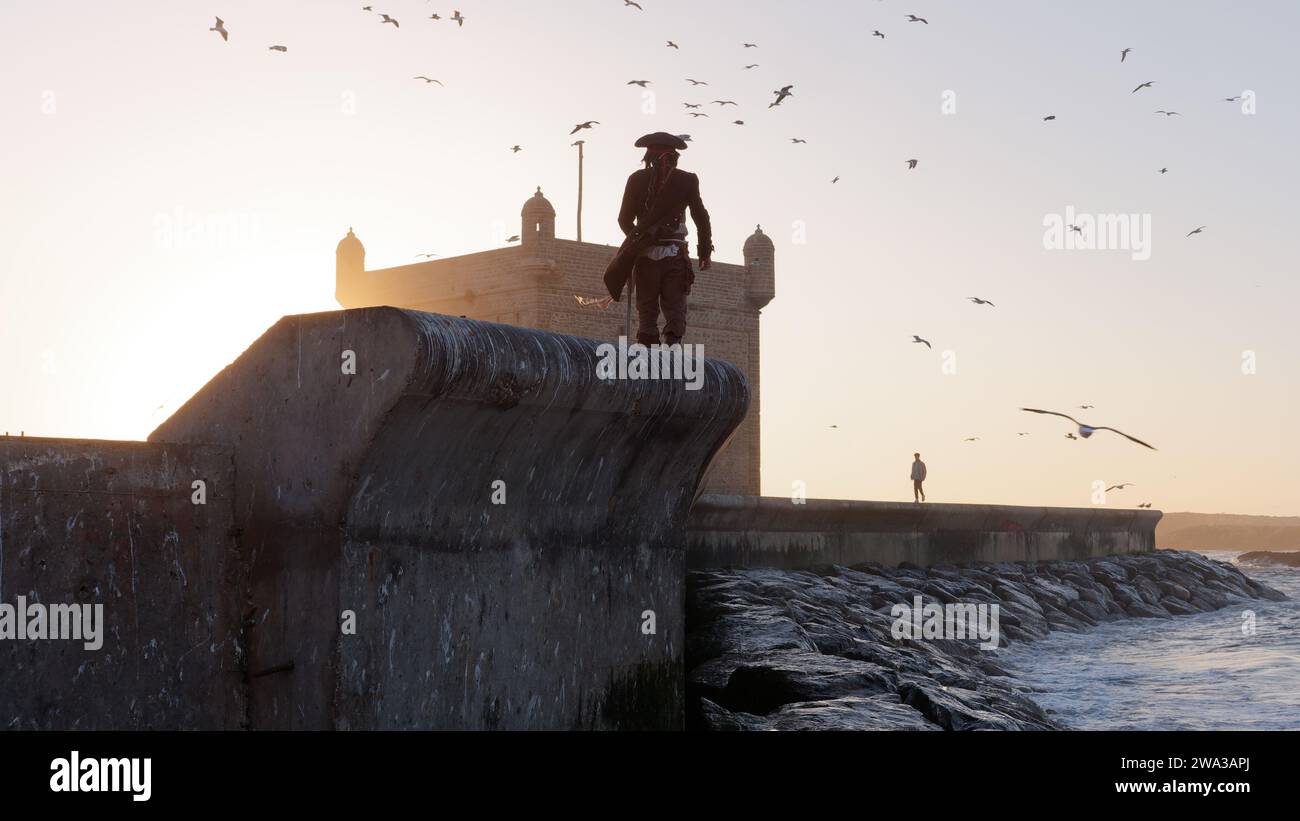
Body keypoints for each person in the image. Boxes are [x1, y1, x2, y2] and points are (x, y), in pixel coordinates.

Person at [616, 132, 712, 346]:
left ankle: (652, 355)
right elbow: (701, 218)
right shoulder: (686, 180)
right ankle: (668, 354)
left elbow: (624, 220)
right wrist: (704, 252)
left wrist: (639, 242)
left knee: (650, 315)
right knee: (673, 312)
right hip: (673, 255)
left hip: (651, 255)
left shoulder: (637, 179)